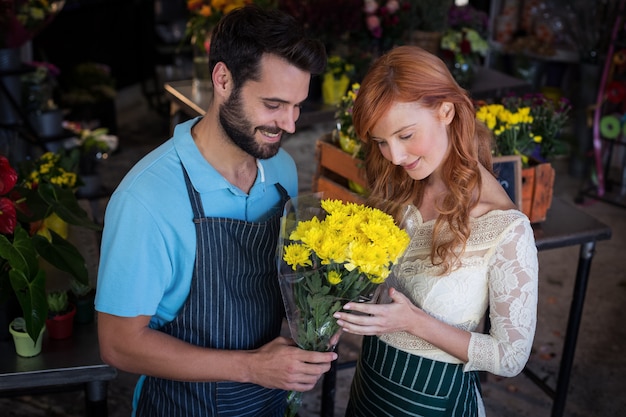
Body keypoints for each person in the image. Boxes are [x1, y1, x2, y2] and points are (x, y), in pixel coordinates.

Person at [95, 5, 337, 416]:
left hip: (269, 401)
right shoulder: (145, 199)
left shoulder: (282, 168)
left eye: (297, 106)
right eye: (274, 104)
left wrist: (315, 318)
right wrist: (251, 367)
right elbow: (119, 344)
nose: (291, 125)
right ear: (222, 79)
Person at [332, 45, 539, 417]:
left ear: (446, 111)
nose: (394, 155)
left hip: (433, 402)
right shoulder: (402, 186)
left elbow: (509, 358)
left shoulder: (505, 228)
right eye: (381, 141)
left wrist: (413, 322)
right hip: (369, 388)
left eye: (406, 135)